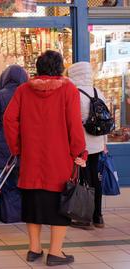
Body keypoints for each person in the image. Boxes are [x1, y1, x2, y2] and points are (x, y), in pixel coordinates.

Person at [3, 50, 87, 266]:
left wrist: (18, 148)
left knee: (32, 203)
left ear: (38, 67)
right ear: (59, 68)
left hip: (31, 159)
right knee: (60, 204)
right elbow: (74, 125)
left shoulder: (23, 90)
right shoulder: (68, 90)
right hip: (59, 160)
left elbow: (9, 119)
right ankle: (55, 252)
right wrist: (80, 152)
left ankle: (34, 249)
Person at [0, 65, 28, 222]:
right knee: (17, 179)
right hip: (23, 143)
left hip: (2, 142)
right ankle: (16, 211)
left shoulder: (0, 95)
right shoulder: (27, 94)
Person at [68, 61, 107, 230]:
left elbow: (72, 121)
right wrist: (105, 143)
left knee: (84, 179)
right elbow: (105, 118)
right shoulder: (99, 92)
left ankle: (85, 217)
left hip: (81, 144)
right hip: (97, 143)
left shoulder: (75, 93)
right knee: (96, 179)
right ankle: (98, 216)